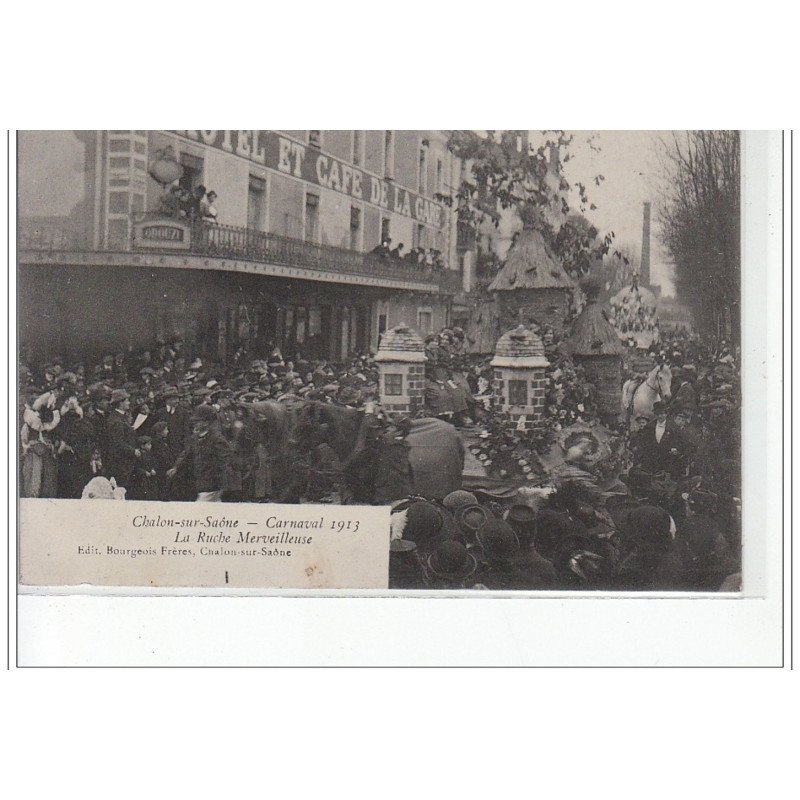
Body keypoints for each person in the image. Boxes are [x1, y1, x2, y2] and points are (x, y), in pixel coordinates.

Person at [168, 404, 231, 502]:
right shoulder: (195, 438)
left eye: (197, 421)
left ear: (206, 422)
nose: (194, 423)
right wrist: (176, 467)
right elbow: (186, 454)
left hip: (212, 484)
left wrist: (218, 478)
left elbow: (225, 461)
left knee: (200, 509)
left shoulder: (217, 439)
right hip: (202, 483)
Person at [104, 388, 140, 490]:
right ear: (120, 403)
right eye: (127, 400)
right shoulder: (116, 420)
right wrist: (133, 451)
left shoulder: (120, 417)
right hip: (121, 464)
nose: (129, 403)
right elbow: (118, 443)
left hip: (124, 463)